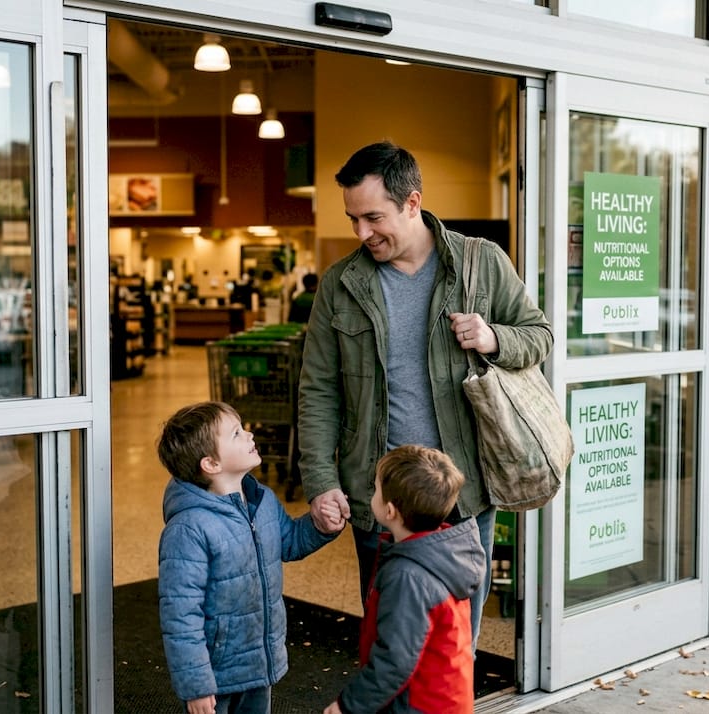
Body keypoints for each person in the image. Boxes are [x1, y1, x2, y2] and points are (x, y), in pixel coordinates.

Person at [297, 140, 553, 648]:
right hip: (378, 498)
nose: (361, 232)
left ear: (412, 203)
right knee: (386, 640)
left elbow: (539, 335)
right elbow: (318, 389)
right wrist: (322, 481)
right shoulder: (340, 284)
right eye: (353, 219)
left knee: (456, 641)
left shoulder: (482, 263)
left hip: (462, 491)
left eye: (373, 217)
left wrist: (494, 337)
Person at [157, 401, 344, 714]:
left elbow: (289, 542)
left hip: (258, 660)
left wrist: (319, 527)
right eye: (236, 433)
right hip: (215, 675)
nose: (249, 435)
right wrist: (196, 684)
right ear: (211, 464)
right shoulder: (188, 529)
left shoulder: (260, 500)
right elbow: (180, 615)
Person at [323, 445, 485, 714]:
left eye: (375, 489)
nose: (371, 493)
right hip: (445, 699)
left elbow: (395, 660)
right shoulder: (444, 552)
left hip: (417, 704)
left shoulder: (408, 576)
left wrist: (348, 706)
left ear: (390, 511)